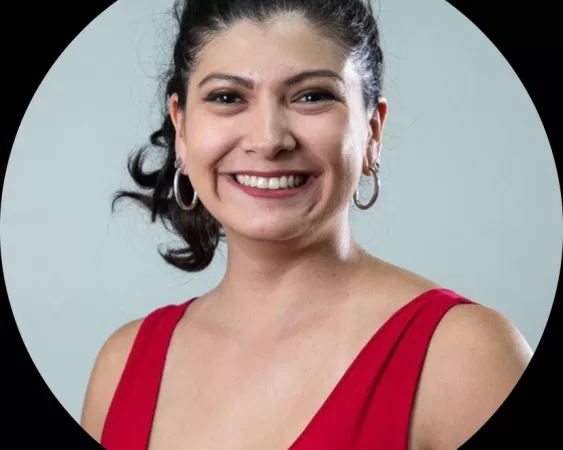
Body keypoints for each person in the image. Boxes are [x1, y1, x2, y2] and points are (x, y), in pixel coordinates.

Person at [80, 0, 533, 448]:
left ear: (373, 132)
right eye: (227, 97)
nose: (268, 140)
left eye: (312, 96)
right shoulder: (121, 365)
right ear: (181, 128)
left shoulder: (465, 358)